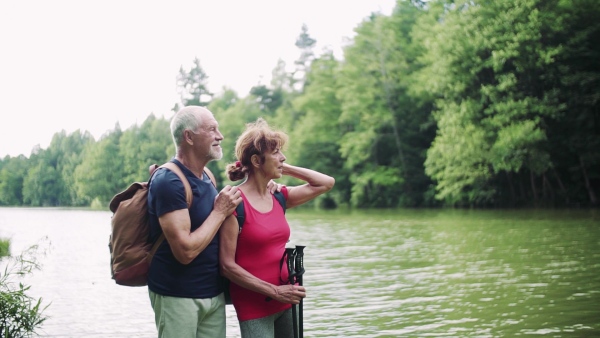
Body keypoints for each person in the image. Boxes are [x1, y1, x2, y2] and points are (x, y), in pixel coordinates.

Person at [219, 118, 335, 338]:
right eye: (276, 153)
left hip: (288, 297)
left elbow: (326, 183)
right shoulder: (234, 202)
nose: (283, 157)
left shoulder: (279, 196)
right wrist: (275, 291)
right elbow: (227, 266)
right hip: (254, 305)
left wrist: (283, 168)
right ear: (256, 160)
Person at [146, 105, 242, 338]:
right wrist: (219, 212)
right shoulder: (168, 181)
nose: (220, 136)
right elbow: (185, 251)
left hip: (213, 295)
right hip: (177, 295)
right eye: (211, 129)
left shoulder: (207, 176)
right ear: (188, 137)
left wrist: (265, 185)